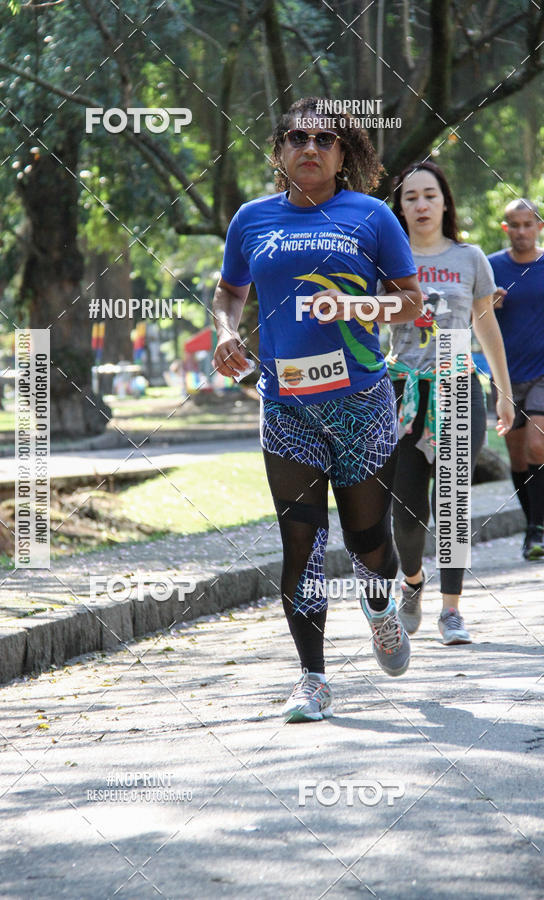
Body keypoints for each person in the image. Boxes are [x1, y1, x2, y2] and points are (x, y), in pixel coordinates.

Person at [212, 97, 422, 723]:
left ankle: (381, 611)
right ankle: (313, 678)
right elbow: (228, 291)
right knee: (301, 544)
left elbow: (410, 303)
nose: (310, 145)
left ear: (342, 154)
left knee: (368, 542)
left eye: (324, 138)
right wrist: (226, 330)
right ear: (278, 150)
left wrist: (357, 309)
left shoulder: (371, 216)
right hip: (288, 406)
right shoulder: (251, 220)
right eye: (296, 136)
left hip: (360, 403)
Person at [387, 161, 515, 645]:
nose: (421, 205)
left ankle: (453, 610)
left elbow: (486, 328)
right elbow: (365, 324)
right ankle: (413, 581)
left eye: (430, 196)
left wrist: (503, 392)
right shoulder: (386, 261)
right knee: (407, 508)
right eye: (411, 197)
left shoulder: (470, 258)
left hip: (458, 386)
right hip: (403, 392)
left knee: (453, 503)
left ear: (445, 203)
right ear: (400, 207)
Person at [488, 199, 544, 560]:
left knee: (537, 445)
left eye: (529, 224)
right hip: (506, 376)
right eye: (515, 225)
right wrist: (485, 306)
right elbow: (469, 318)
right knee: (518, 459)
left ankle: (537, 530)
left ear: (539, 226)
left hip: (542, 372)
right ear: (506, 228)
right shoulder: (491, 267)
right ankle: (532, 527)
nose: (522, 231)